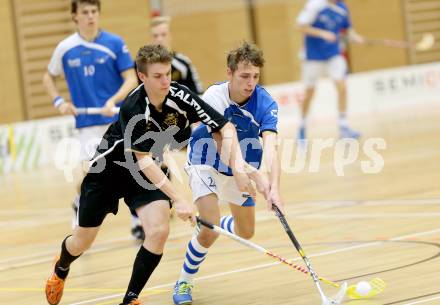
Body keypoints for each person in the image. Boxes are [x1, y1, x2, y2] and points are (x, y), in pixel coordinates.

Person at [44, 44, 269, 305]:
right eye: (158, 76)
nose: (166, 81)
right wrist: (181, 199)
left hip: (144, 176)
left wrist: (240, 169)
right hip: (110, 172)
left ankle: (130, 298)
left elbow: (223, 127)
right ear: (142, 77)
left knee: (159, 231)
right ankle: (61, 266)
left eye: (168, 73)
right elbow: (144, 160)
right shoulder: (134, 106)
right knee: (82, 241)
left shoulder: (181, 96)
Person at [172, 41, 283, 305]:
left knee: (246, 232)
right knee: (208, 229)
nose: (250, 83)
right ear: (229, 73)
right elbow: (223, 144)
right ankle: (184, 281)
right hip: (205, 160)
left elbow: (271, 145)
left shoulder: (266, 103)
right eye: (245, 76)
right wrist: (252, 175)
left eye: (255, 76)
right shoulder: (213, 97)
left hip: (241, 166)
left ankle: (214, 225)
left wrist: (274, 187)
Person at [42, 0, 139, 235]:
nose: (90, 16)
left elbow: (131, 78)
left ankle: (138, 222)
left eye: (94, 11)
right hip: (87, 125)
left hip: (116, 119)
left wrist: (113, 100)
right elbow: (48, 77)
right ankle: (79, 201)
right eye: (84, 12)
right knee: (91, 175)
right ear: (75, 16)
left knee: (133, 169)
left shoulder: (114, 43)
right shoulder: (65, 48)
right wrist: (59, 102)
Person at [296, 0, 364, 142]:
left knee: (342, 87)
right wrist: (322, 33)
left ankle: (343, 126)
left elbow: (348, 28)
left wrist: (354, 36)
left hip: (334, 54)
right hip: (313, 57)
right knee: (309, 93)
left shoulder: (342, 7)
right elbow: (300, 27)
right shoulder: (315, 5)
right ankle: (302, 126)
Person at [149, 16, 203, 95]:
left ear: (170, 36)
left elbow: (198, 93)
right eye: (155, 36)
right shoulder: (140, 66)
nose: (159, 39)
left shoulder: (184, 62)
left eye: (163, 35)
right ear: (151, 39)